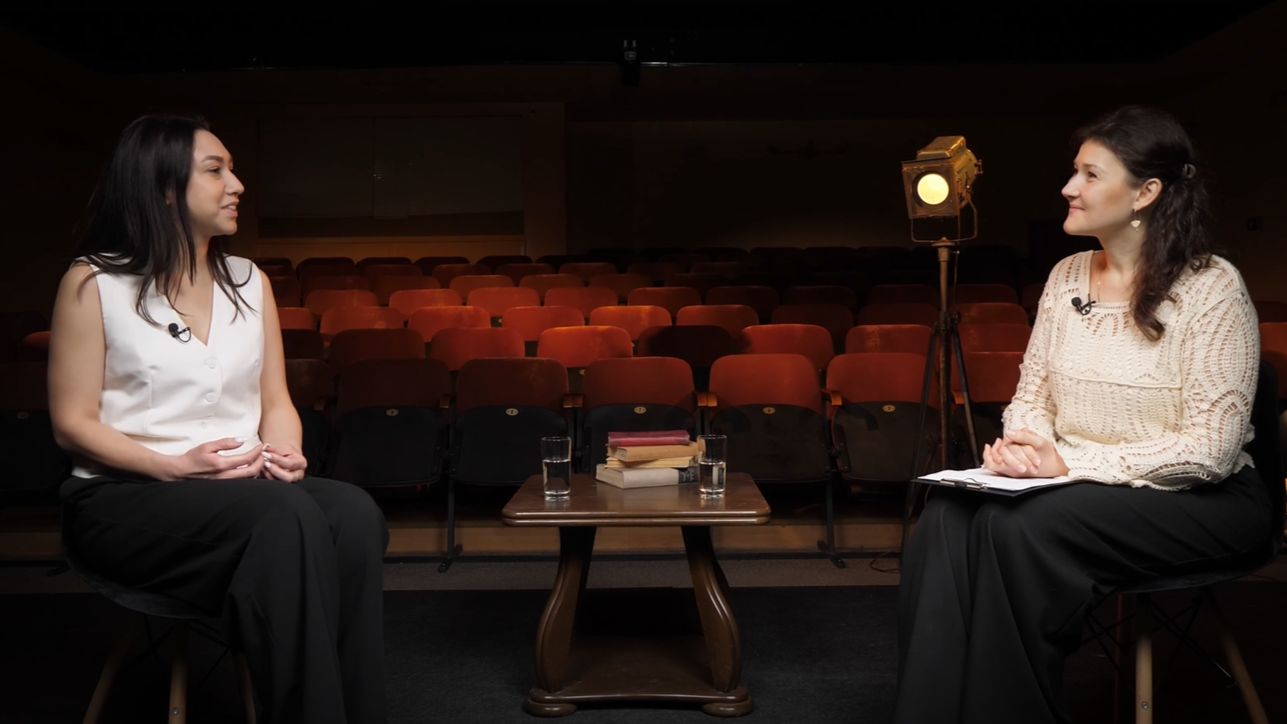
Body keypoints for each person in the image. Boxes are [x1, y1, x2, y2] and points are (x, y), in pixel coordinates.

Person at [893, 105, 1272, 723]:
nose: (1069, 187)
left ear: (1146, 193)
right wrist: (1023, 448)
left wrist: (1067, 464)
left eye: (1091, 175)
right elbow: (1033, 395)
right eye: (1074, 171)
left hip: (1202, 501)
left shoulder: (1212, 287)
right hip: (1074, 486)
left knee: (1016, 529)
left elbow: (1210, 451)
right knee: (945, 515)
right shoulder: (1066, 275)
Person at [49, 114, 388, 724]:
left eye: (233, 168)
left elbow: (276, 400)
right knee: (284, 518)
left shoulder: (249, 281)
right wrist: (172, 466)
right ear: (164, 188)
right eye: (216, 170)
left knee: (352, 512)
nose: (237, 184)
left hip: (241, 490)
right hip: (126, 497)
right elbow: (71, 423)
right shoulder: (93, 281)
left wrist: (285, 454)